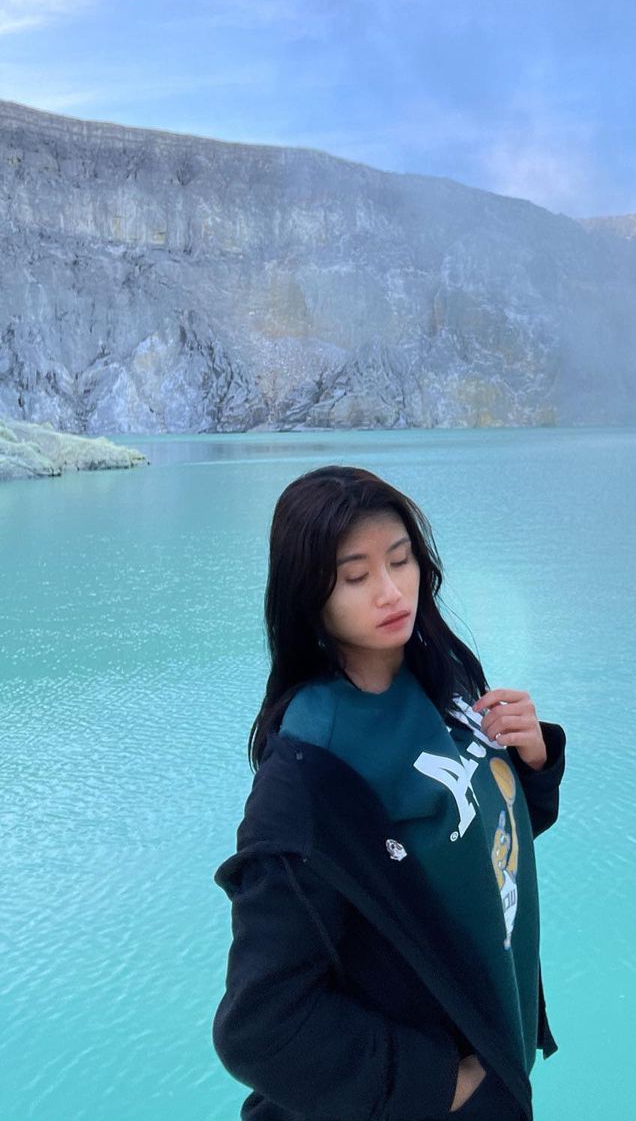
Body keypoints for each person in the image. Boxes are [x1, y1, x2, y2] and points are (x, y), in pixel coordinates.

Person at [211, 465, 567, 1121]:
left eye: (400, 561)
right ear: (309, 595)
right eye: (356, 576)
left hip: (492, 1040)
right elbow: (260, 1027)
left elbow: (473, 843)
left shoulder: (441, 671)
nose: (391, 590)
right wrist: (441, 1085)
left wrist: (532, 764)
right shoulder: (310, 771)